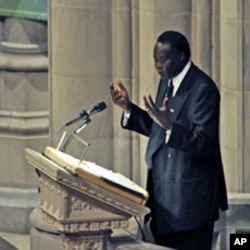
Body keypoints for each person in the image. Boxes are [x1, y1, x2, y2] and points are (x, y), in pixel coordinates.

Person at [110, 30, 228, 250]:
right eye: (155, 59)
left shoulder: (203, 89)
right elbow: (159, 129)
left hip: (190, 207)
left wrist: (170, 127)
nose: (157, 65)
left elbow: (204, 144)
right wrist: (129, 109)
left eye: (162, 60)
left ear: (181, 57)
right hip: (164, 201)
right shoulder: (167, 81)